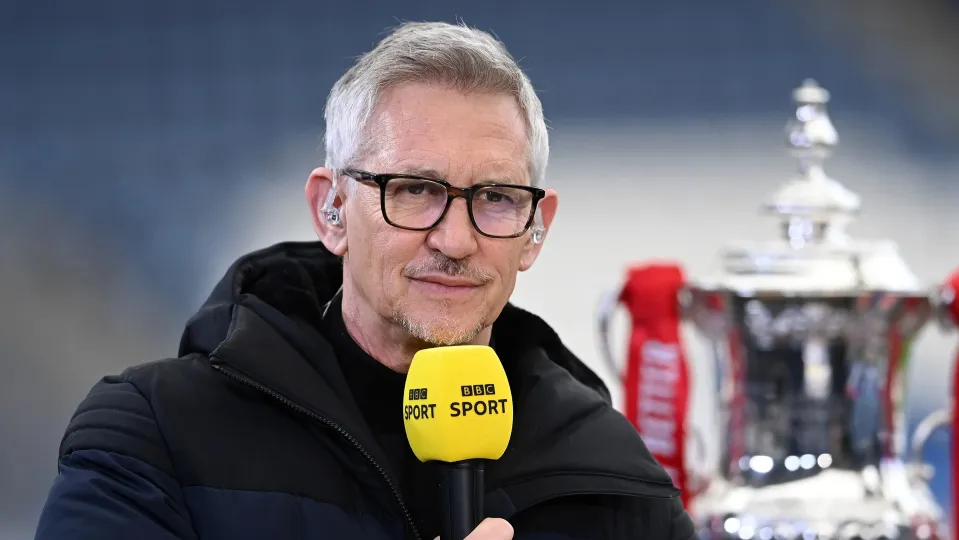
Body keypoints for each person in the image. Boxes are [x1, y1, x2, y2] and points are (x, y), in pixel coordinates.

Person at [33, 21, 695, 540]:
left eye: (495, 198)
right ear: (331, 210)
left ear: (535, 229)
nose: (455, 241)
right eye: (414, 190)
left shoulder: (614, 476)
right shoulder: (155, 435)